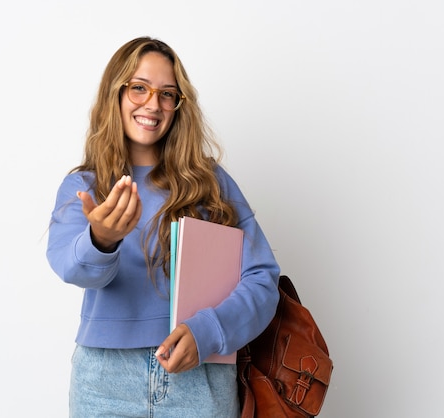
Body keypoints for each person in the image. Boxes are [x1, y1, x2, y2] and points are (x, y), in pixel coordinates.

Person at [46, 36, 280, 418]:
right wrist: (101, 240)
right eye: (139, 88)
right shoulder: (84, 187)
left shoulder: (211, 183)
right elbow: (68, 266)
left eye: (167, 94)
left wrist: (208, 332)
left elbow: (262, 278)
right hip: (104, 381)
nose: (153, 104)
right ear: (115, 93)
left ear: (178, 106)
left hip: (200, 375)